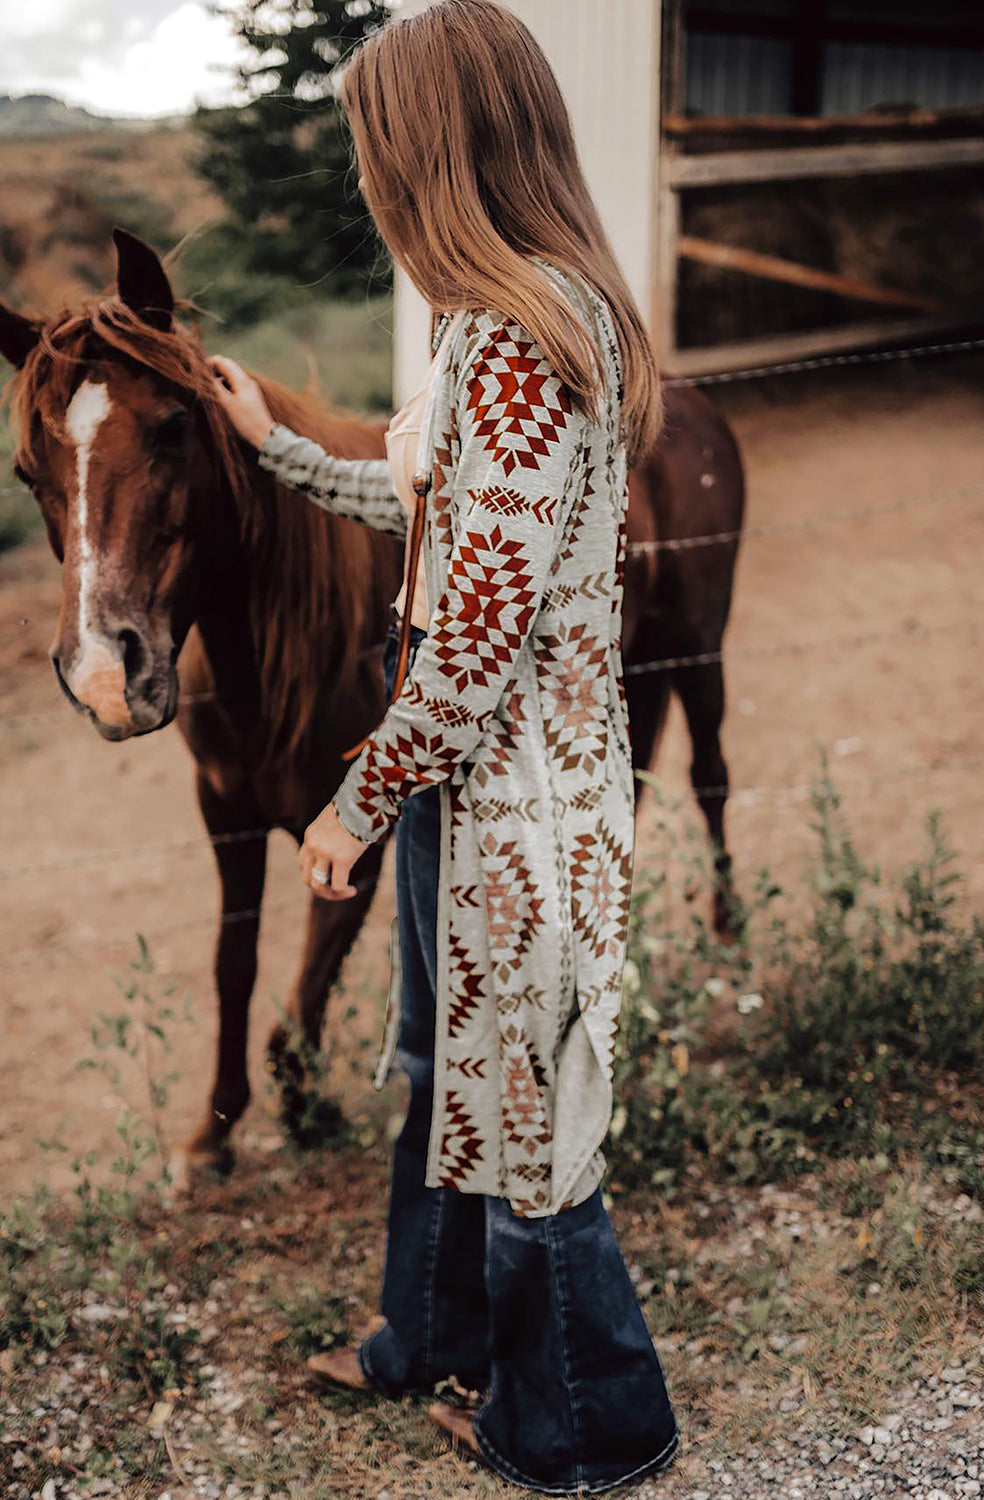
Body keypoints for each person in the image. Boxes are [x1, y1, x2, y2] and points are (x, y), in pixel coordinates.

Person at [208, 0, 679, 1490]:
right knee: (445, 1065)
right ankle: (431, 1335)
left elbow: (470, 643)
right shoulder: (496, 326)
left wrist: (352, 803)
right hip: (467, 795)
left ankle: (590, 1430)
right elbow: (431, 509)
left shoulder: (528, 342)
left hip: (518, 800)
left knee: (532, 1114)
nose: (368, 182)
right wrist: (276, 445)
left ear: (436, 156)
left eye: (377, 152)